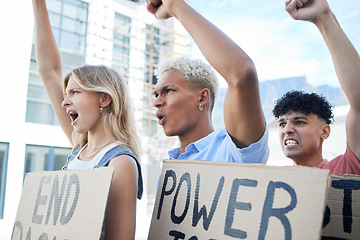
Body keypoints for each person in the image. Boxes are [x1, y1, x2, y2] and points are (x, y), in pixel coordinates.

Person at [32, 0, 143, 239]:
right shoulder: (79, 147)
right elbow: (49, 70)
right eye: (66, 93)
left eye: (75, 92)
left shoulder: (120, 163)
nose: (64, 102)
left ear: (104, 99)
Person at [146, 0, 269, 163]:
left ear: (203, 97)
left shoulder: (230, 152)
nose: (157, 102)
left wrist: (174, 5)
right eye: (156, 94)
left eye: (168, 91)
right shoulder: (170, 167)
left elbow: (241, 73)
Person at [272, 0, 360, 174]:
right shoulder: (273, 182)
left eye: (299, 122)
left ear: (325, 131)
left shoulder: (344, 169)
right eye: (282, 123)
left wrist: (323, 17)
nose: (288, 129)